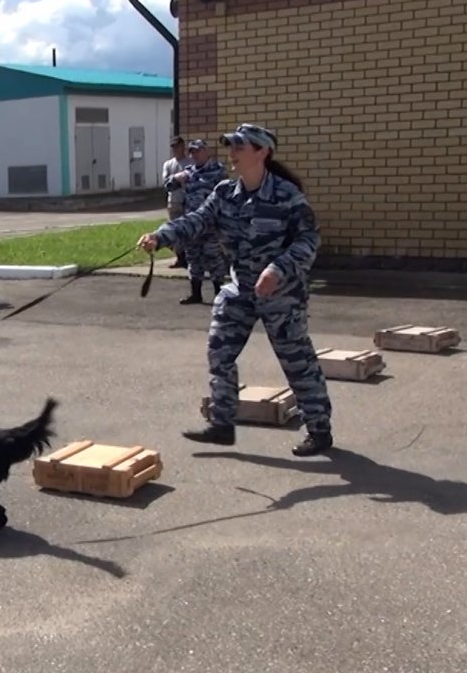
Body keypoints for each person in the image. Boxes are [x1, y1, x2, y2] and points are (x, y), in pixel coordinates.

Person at [138, 123, 333, 457]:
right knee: (219, 352)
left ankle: (319, 429)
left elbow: (308, 240)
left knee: (296, 361)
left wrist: (278, 268)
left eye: (240, 147)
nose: (233, 154)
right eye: (231, 146)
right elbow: (195, 221)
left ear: (262, 152)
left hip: (281, 294)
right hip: (240, 289)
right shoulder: (225, 193)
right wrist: (160, 236)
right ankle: (222, 424)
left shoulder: (287, 195)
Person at [165, 139, 229, 304]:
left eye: (199, 151)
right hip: (191, 224)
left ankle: (219, 294)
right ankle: (196, 294)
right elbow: (168, 186)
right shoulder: (188, 172)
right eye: (192, 152)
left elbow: (225, 194)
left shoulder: (217, 170)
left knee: (213, 258)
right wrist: (176, 178)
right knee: (193, 258)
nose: (195, 155)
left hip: (210, 224)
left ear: (207, 152)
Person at [162, 136, 194, 269]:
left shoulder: (190, 162)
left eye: (178, 147)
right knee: (174, 231)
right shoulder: (168, 164)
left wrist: (179, 181)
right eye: (173, 147)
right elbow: (166, 182)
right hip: (174, 202)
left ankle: (189, 258)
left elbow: (192, 180)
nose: (176, 150)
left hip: (187, 202)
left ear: (183, 147)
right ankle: (180, 258)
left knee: (187, 231)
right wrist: (177, 180)